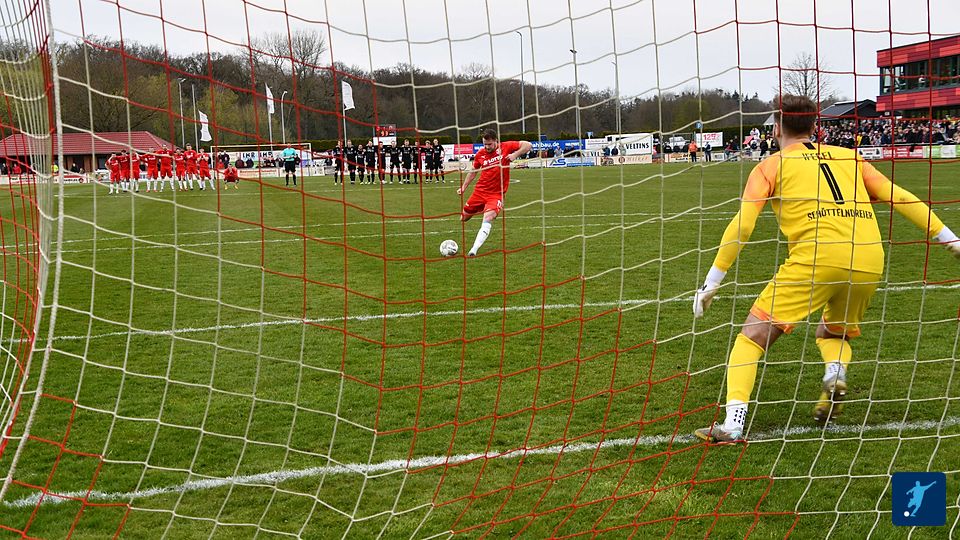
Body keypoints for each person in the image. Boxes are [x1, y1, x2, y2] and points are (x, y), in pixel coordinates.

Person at [692, 95, 960, 443]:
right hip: (868, 257)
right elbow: (901, 196)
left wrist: (712, 281)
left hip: (816, 257)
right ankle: (835, 374)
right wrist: (951, 240)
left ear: (776, 128)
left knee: (751, 339)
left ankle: (733, 424)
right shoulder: (850, 157)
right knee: (833, 333)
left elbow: (743, 225)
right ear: (814, 125)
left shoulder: (770, 166)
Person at [457, 129, 532, 257]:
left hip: (496, 194)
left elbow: (528, 145)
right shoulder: (480, 154)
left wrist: (515, 154)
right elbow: (473, 171)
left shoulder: (506, 146)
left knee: (488, 218)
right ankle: (484, 208)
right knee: (464, 218)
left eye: (489, 144)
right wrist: (463, 187)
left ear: (496, 141)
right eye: (484, 144)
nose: (487, 147)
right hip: (479, 192)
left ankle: (473, 250)